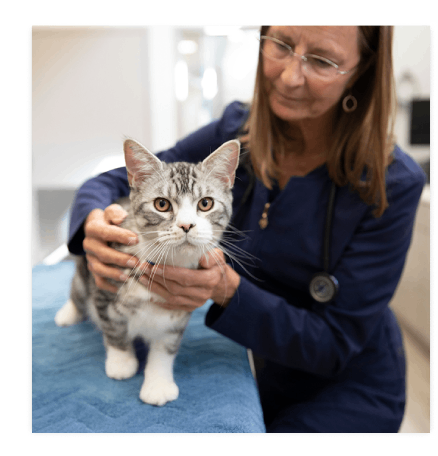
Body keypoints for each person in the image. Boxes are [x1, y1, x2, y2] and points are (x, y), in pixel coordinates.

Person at [67, 26, 426, 432]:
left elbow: (335, 343)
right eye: (282, 45)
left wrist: (226, 289)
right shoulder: (238, 128)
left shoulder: (393, 181)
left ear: (362, 71)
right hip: (253, 359)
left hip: (343, 385)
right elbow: (116, 181)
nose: (290, 76)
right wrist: (92, 222)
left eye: (323, 61)